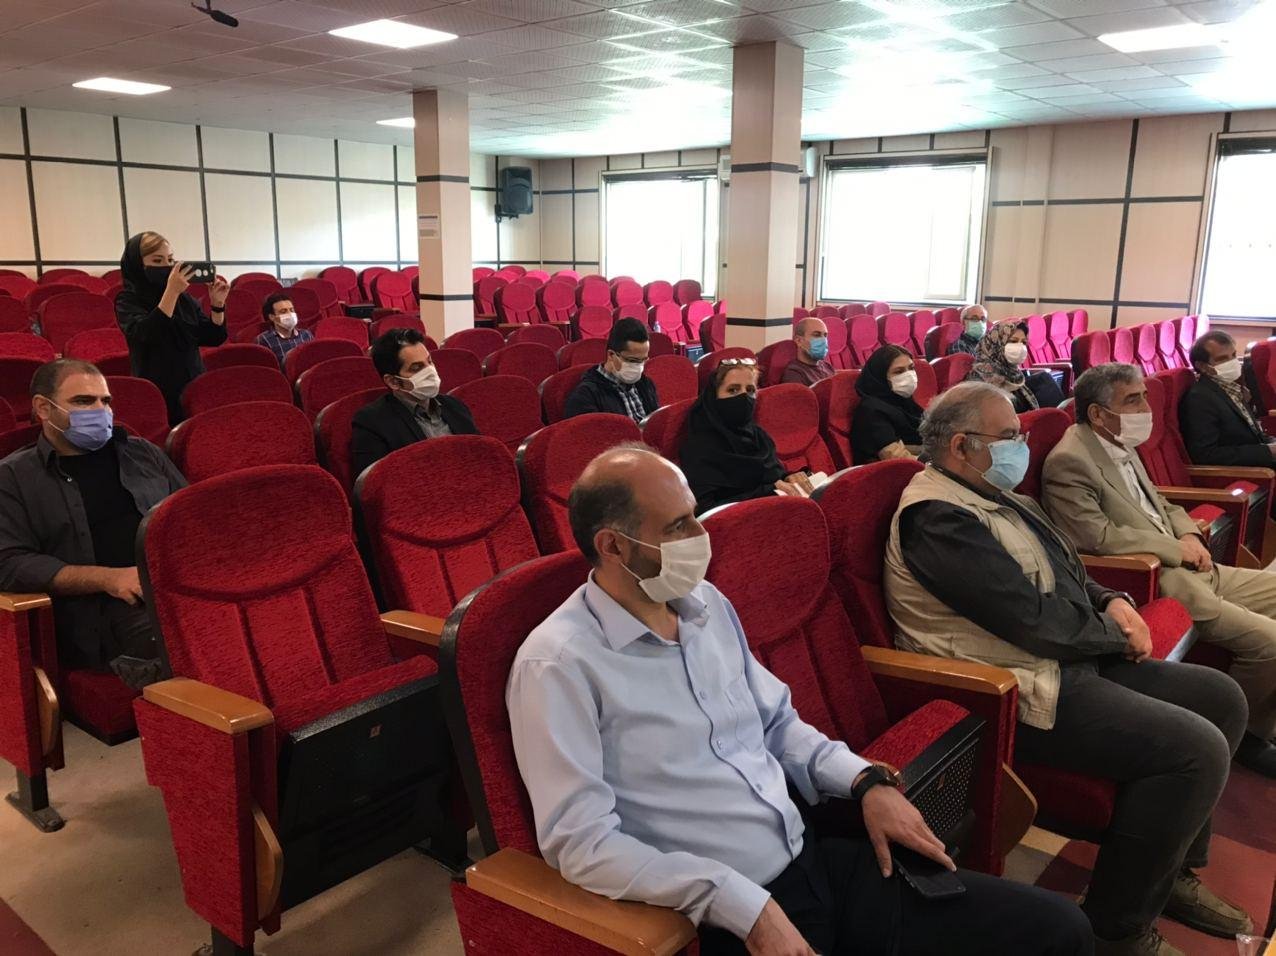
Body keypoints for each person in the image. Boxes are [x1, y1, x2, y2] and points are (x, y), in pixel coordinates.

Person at [507, 443, 1094, 956]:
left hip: (813, 858)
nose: (701, 539)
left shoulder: (706, 605)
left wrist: (864, 781)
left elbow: (778, 724)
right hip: (724, 916)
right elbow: (581, 844)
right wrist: (738, 903)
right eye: (680, 526)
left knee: (1057, 929)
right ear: (613, 545)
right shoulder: (558, 664)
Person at [884, 382, 1251, 956]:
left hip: (1061, 659)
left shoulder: (992, 492)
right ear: (960, 445)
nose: (1021, 447)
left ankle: (1170, 869)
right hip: (1011, 687)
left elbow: (1063, 566)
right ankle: (1115, 930)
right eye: (1009, 437)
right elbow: (1028, 618)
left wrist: (1111, 599)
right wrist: (1116, 635)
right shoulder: (937, 517)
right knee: (1194, 750)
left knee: (1220, 697)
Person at [1042, 363, 1276, 778]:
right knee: (1270, 641)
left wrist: (1188, 533)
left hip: (1193, 564)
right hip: (1161, 579)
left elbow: (1161, 503)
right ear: (1097, 413)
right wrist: (1175, 549)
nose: (1145, 409)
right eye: (1132, 400)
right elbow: (1096, 537)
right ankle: (1246, 737)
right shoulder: (1069, 461)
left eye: (1145, 397)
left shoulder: (1118, 443)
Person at [0, 360, 186, 689]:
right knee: (197, 643)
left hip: (173, 587)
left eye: (106, 401)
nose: (100, 411)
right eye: (84, 401)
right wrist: (109, 579)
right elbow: (9, 564)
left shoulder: (142, 453)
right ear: (43, 408)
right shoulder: (13, 477)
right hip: (101, 611)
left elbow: (190, 517)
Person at [115, 231, 229, 424]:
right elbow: (148, 333)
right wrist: (172, 291)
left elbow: (213, 337)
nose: (167, 266)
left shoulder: (185, 299)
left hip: (193, 383)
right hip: (157, 388)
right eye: (157, 261)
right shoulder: (128, 299)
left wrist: (218, 305)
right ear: (137, 264)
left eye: (170, 259)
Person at [680, 359, 808, 515]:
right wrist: (768, 493)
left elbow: (776, 476)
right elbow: (706, 511)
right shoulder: (698, 447)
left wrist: (790, 477)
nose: (743, 397)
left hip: (782, 515)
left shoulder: (759, 436)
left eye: (750, 390)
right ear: (714, 396)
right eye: (733, 390)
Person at [351, 328, 477, 479]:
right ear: (393, 381)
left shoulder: (455, 406)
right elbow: (376, 483)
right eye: (416, 368)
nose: (430, 371)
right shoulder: (372, 422)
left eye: (429, 362)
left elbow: (480, 454)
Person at [1180, 331, 1275, 466]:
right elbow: (1205, 454)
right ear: (1202, 366)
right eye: (1222, 359)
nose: (1232, 362)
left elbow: (1254, 434)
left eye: (1234, 355)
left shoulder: (1232, 388)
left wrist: (1271, 443)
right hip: (1246, 470)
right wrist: (1267, 452)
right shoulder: (1199, 399)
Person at [564, 318, 659, 423]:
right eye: (632, 360)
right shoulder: (586, 395)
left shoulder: (646, 384)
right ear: (611, 355)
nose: (639, 367)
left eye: (643, 360)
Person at [966, 321, 1063, 412]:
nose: (1020, 347)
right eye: (1013, 341)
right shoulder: (980, 377)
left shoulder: (1013, 372)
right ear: (997, 344)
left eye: (1023, 342)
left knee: (1044, 378)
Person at [850, 345, 922, 464]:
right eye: (899, 371)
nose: (909, 375)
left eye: (911, 368)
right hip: (893, 472)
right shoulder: (871, 411)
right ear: (881, 376)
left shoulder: (903, 400)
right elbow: (898, 459)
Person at [255, 292, 314, 369]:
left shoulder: (306, 334)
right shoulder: (264, 340)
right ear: (272, 317)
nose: (290, 314)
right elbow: (267, 370)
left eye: (291, 310)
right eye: (283, 311)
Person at [781, 317, 835, 386]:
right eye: (816, 335)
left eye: (825, 335)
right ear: (798, 341)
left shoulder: (827, 366)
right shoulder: (794, 374)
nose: (823, 340)